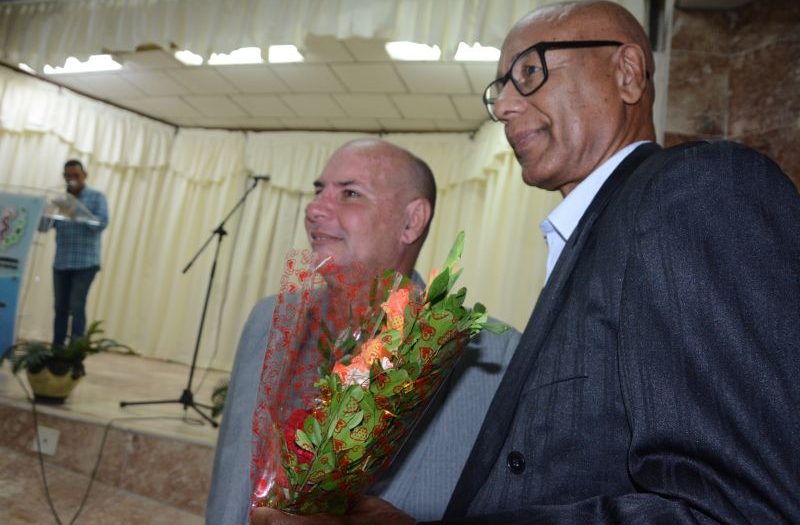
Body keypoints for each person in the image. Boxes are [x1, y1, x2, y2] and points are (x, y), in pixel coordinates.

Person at [253, 1, 800, 524]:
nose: (505, 107)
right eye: (501, 88)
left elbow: (739, 510)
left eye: (530, 72)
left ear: (627, 73)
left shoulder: (694, 191)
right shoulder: (595, 236)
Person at [205, 138, 520, 525]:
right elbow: (231, 476)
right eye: (318, 191)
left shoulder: (491, 356)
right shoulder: (267, 319)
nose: (314, 209)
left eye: (350, 193)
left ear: (411, 221)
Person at [41, 159, 109, 347]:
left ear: (84, 175)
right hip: (61, 262)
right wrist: (46, 211)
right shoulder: (60, 200)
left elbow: (101, 224)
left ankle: (75, 351)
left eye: (76, 175)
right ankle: (57, 348)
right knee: (60, 307)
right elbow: (43, 227)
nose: (71, 179)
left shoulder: (96, 197)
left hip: (85, 263)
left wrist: (76, 213)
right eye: (67, 176)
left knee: (77, 306)